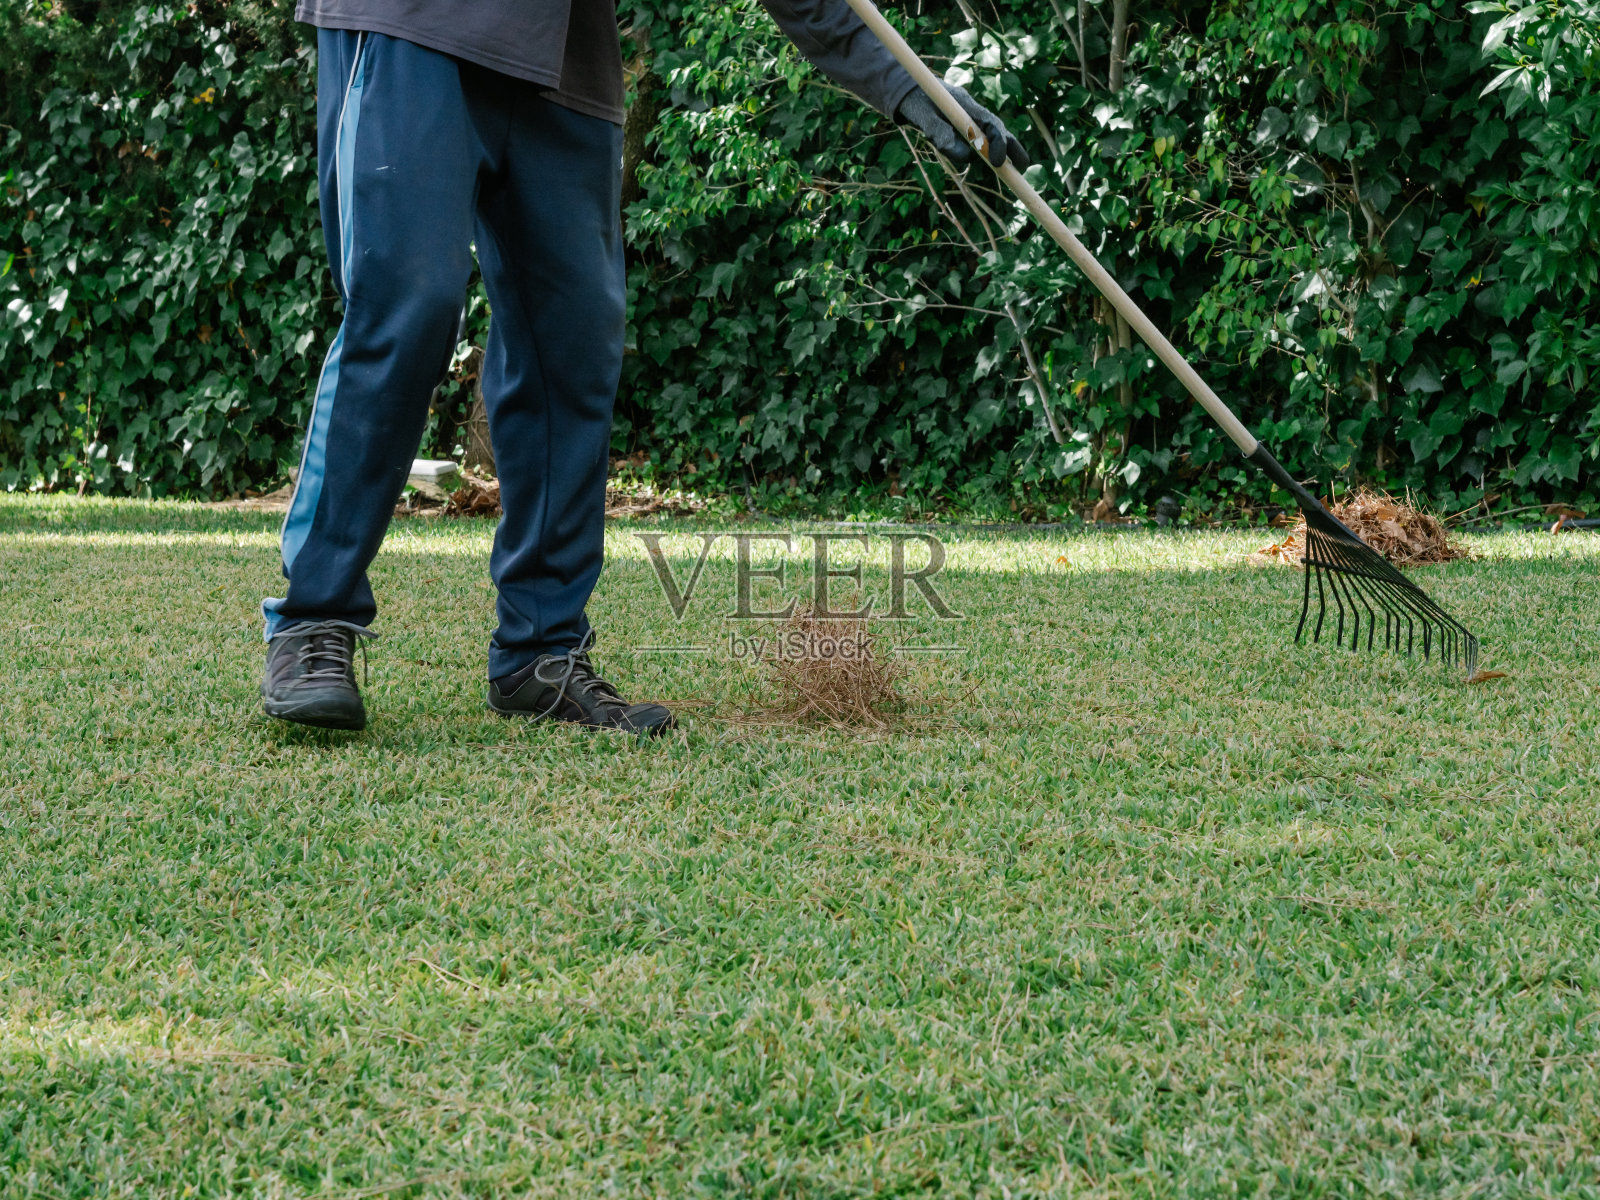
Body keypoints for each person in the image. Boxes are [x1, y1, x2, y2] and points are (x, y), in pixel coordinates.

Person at [261, 0, 1027, 735]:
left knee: (573, 344)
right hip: (414, 26)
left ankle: (541, 650)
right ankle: (314, 619)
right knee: (409, 306)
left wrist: (908, 87)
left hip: (567, 60)